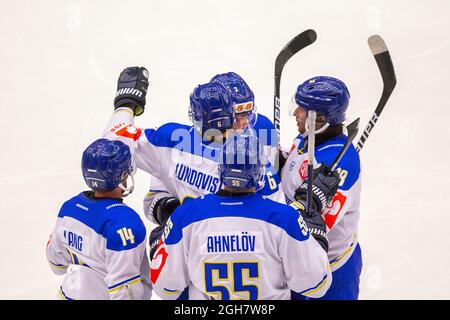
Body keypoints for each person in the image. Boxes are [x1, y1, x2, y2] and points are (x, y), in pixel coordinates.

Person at [150, 134, 334, 300]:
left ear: (220, 168)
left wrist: (159, 246)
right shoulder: (285, 219)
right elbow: (316, 285)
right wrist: (316, 241)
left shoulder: (185, 216)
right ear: (259, 171)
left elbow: (165, 288)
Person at [102, 67, 285, 231]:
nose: (244, 122)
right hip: (190, 241)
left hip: (244, 241)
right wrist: (167, 211)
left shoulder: (263, 133)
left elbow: (278, 209)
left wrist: (126, 105)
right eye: (237, 115)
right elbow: (114, 145)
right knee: (159, 238)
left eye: (248, 113)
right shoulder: (173, 142)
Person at [280, 76, 362, 300]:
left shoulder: (343, 164)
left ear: (321, 118)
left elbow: (315, 223)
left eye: (303, 109)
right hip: (297, 260)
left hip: (334, 268)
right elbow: (293, 168)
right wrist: (278, 161)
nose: (296, 112)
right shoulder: (307, 138)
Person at [46, 138, 152, 300]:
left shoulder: (69, 208)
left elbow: (56, 263)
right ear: (122, 175)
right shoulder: (124, 222)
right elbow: (124, 289)